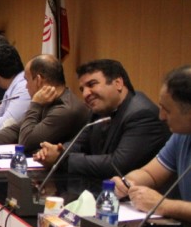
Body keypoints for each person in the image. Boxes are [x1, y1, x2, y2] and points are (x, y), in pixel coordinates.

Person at [35, 59, 170, 178]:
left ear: (118, 83)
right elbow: (78, 143)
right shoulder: (99, 110)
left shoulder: (142, 114)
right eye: (82, 89)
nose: (86, 94)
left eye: (92, 84)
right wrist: (56, 151)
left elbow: (117, 165)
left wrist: (62, 159)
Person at [113, 65, 191, 221]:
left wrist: (164, 205)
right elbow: (150, 174)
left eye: (167, 110)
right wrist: (127, 183)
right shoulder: (181, 135)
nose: (161, 116)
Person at [0, 54, 90, 154]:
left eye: (27, 80)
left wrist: (35, 104)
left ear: (39, 80)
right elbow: (18, 128)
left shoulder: (65, 109)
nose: (26, 86)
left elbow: (26, 141)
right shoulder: (48, 99)